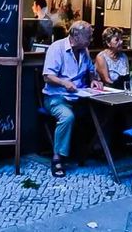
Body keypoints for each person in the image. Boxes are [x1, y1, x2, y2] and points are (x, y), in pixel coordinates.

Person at [42, 21, 103, 177]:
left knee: (103, 110)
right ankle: (57, 158)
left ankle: (95, 148)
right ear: (76, 35)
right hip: (57, 96)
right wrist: (64, 83)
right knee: (67, 116)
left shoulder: (84, 51)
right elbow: (47, 76)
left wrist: (94, 79)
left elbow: (91, 70)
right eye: (88, 36)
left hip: (80, 96)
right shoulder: (57, 48)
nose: (91, 39)